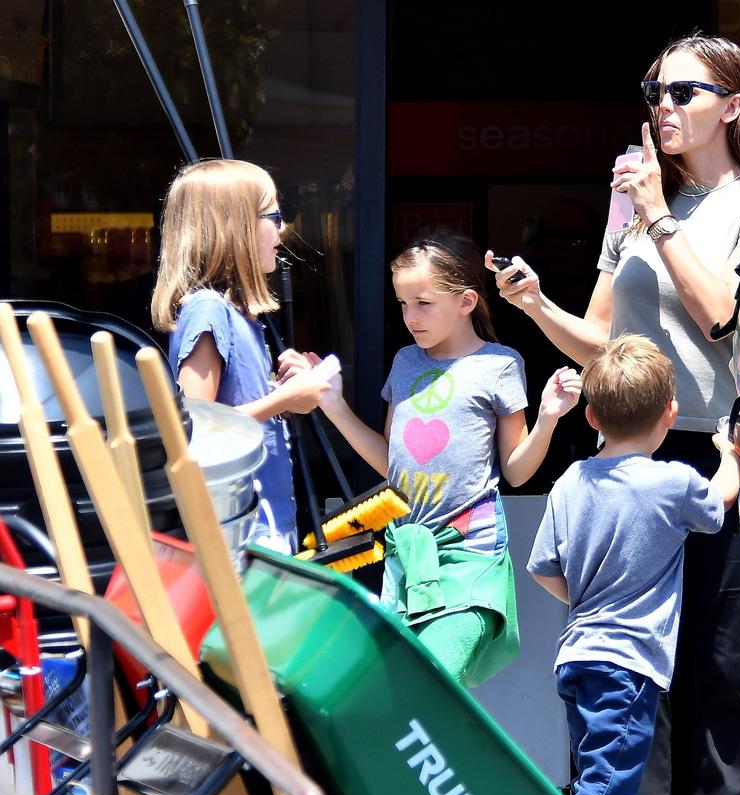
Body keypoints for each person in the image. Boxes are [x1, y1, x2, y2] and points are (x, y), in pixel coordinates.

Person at [491, 34, 740, 795]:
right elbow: (602, 340)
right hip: (624, 454)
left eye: (682, 92)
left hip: (713, 453)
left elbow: (726, 314)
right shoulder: (631, 200)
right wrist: (535, 305)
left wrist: (659, 217)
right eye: (653, 90)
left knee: (722, 674)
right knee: (629, 670)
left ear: (732, 106)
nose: (662, 105)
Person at [314, 231, 581, 685]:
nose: (409, 317)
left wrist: (549, 419)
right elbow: (390, 462)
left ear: (466, 302)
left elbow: (516, 470)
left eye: (423, 303)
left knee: (429, 684)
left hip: (468, 552)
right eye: (402, 304)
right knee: (405, 687)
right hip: (405, 553)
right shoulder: (405, 361)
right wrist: (333, 405)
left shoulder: (500, 364)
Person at [527, 334, 740, 795]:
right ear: (670, 413)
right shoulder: (671, 482)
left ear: (590, 416)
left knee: (594, 774)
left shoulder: (570, 480)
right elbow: (721, 498)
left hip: (577, 657)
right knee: (606, 789)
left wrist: (589, 598)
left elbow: (542, 567)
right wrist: (732, 453)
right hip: (627, 664)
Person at [150, 159, 331, 554]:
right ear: (234, 226)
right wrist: (284, 401)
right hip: (238, 536)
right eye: (274, 216)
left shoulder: (237, 314)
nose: (283, 228)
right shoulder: (208, 310)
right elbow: (195, 429)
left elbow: (234, 408)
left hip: (260, 525)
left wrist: (283, 392)